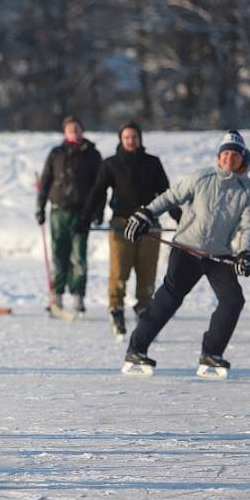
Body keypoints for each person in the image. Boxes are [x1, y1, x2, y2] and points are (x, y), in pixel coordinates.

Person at [121, 131, 250, 378]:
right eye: (226, 153)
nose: (230, 158)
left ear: (243, 159)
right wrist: (146, 214)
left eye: (235, 154)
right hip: (186, 248)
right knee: (169, 298)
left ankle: (212, 355)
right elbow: (170, 196)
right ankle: (136, 350)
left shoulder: (248, 190)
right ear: (219, 157)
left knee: (233, 300)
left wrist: (246, 253)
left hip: (219, 255)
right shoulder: (201, 177)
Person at [78, 121, 180, 339]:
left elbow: (165, 193)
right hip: (121, 223)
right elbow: (98, 191)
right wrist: (88, 216)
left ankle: (144, 306)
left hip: (149, 224)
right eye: (127, 137)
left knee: (147, 270)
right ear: (121, 140)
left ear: (140, 139)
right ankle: (116, 307)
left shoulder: (153, 163)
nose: (131, 141)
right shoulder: (111, 164)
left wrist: (176, 214)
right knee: (119, 269)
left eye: (134, 137)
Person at [35, 115, 102, 314]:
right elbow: (45, 182)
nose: (74, 131)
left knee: (79, 255)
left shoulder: (92, 154)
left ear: (82, 130)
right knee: (58, 254)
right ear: (65, 131)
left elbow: (100, 186)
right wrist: (40, 207)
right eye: (70, 128)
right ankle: (56, 296)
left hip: (82, 213)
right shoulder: (56, 153)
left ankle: (78, 296)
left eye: (77, 127)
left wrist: (97, 211)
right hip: (58, 211)